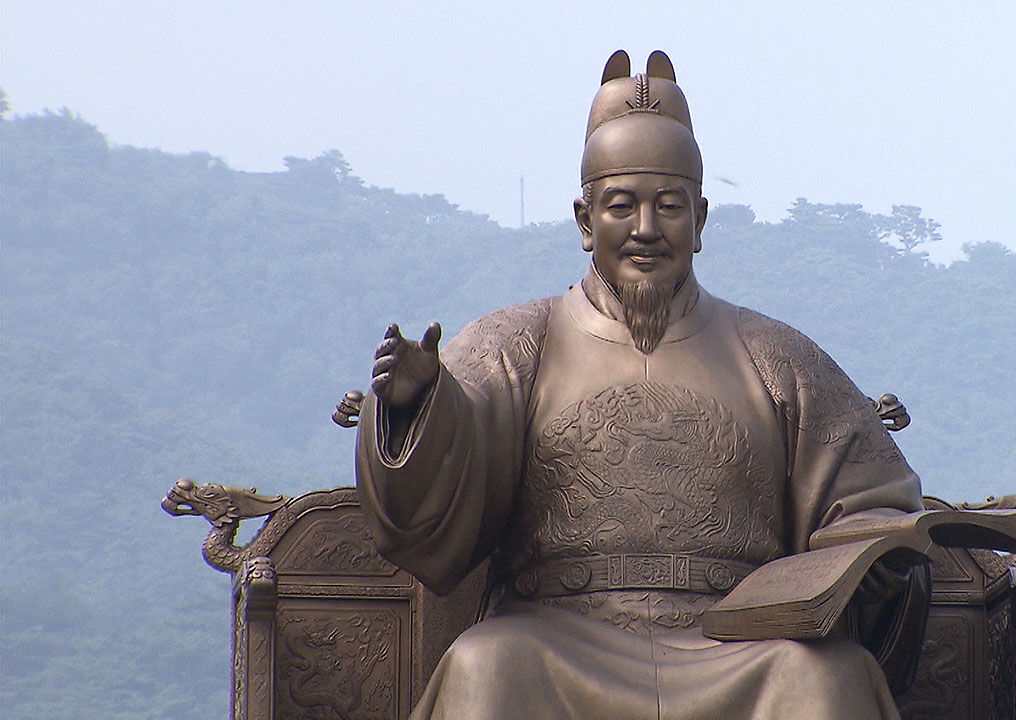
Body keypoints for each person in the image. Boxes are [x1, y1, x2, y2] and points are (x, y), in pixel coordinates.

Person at [354, 50, 926, 720]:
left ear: (701, 220)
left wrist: (876, 549)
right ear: (584, 219)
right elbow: (447, 479)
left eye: (669, 207)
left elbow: (871, 499)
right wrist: (419, 407)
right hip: (555, 635)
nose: (646, 230)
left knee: (825, 676)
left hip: (742, 640)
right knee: (488, 662)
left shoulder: (779, 356)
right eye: (622, 206)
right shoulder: (515, 342)